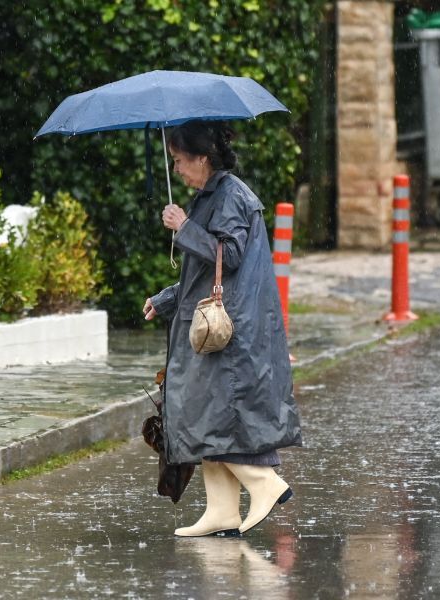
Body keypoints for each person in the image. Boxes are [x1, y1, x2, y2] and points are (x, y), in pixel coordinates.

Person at [143, 120, 303, 536]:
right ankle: (222, 512)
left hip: (231, 331)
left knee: (208, 416)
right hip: (219, 323)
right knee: (208, 416)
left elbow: (227, 256)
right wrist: (164, 299)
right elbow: (203, 274)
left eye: (180, 161)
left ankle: (265, 485)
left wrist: (184, 227)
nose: (176, 169)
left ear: (202, 157)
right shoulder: (210, 195)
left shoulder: (231, 196)